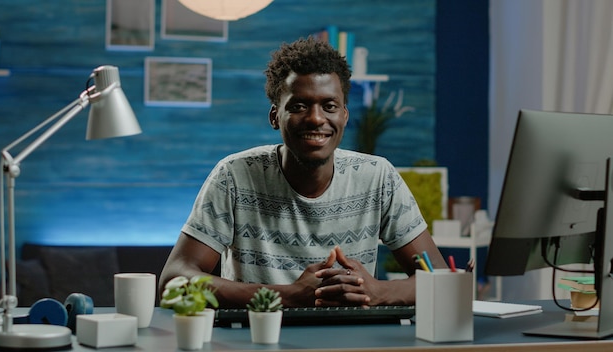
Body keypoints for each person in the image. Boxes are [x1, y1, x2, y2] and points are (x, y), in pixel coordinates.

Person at [159, 36, 447, 308]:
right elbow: (174, 279)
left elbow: (441, 279)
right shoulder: (234, 176)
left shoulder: (377, 177)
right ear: (275, 117)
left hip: (353, 340)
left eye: (329, 106)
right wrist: (288, 295)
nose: (316, 118)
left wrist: (377, 291)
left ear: (344, 116)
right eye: (298, 106)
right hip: (257, 340)